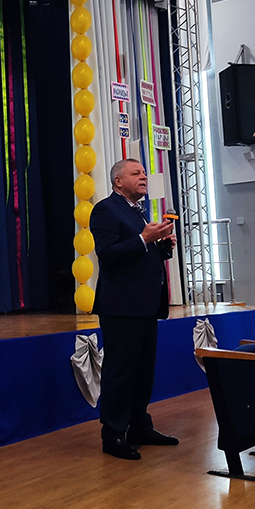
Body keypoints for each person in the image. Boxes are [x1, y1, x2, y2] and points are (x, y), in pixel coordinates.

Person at [89, 158, 177, 460]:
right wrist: (144, 238)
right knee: (120, 372)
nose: (143, 177)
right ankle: (113, 434)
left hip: (146, 305)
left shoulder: (138, 211)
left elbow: (140, 255)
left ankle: (139, 425)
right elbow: (108, 255)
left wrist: (161, 246)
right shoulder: (106, 209)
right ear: (118, 181)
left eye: (144, 173)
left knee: (143, 372)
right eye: (136, 173)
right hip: (122, 306)